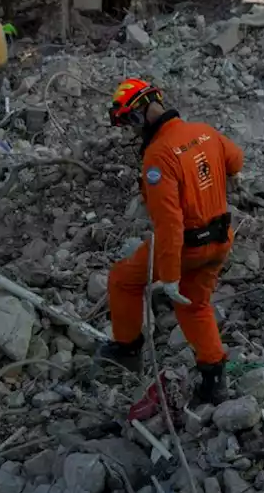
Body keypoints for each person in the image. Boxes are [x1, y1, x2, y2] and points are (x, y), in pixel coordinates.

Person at [98, 78, 243, 405]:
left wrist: (169, 274)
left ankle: (127, 349)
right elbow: (236, 161)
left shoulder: (158, 155)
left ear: (138, 114)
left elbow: (169, 222)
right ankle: (214, 377)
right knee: (195, 305)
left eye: (129, 123)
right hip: (221, 239)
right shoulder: (204, 131)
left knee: (123, 280)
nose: (132, 131)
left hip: (186, 247)